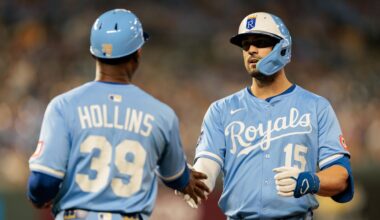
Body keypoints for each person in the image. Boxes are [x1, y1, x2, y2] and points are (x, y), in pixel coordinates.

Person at [27, 8, 209, 220]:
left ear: (94, 52)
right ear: (138, 52)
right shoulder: (161, 114)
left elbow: (43, 182)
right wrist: (186, 180)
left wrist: (38, 197)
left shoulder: (63, 106)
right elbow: (175, 175)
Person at [179, 12, 354, 219]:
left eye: (260, 42)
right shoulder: (221, 110)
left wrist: (310, 181)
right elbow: (208, 165)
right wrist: (194, 180)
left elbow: (341, 176)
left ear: (282, 47)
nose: (251, 50)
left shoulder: (316, 107)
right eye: (245, 45)